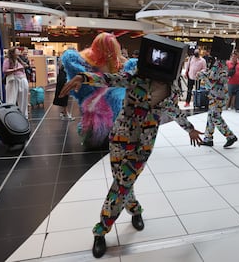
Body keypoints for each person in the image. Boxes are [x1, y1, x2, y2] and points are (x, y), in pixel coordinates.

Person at [59, 69, 203, 258]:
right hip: (120, 137)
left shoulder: (172, 87)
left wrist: (190, 129)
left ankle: (101, 230)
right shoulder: (137, 77)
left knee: (122, 184)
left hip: (143, 145)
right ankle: (134, 209)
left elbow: (173, 109)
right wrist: (83, 77)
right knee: (122, 182)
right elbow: (108, 78)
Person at [198, 57, 238, 148]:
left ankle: (230, 136)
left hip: (218, 96)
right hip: (216, 95)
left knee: (215, 117)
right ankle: (208, 138)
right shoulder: (221, 64)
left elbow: (212, 79)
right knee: (211, 116)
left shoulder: (218, 64)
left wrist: (202, 75)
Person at [3, 47, 29, 119]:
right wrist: (16, 69)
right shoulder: (7, 60)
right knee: (11, 99)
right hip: (13, 80)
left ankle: (23, 116)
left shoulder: (19, 60)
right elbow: (5, 71)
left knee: (23, 99)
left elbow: (25, 67)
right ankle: (11, 116)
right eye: (17, 51)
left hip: (22, 79)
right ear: (13, 53)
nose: (19, 52)